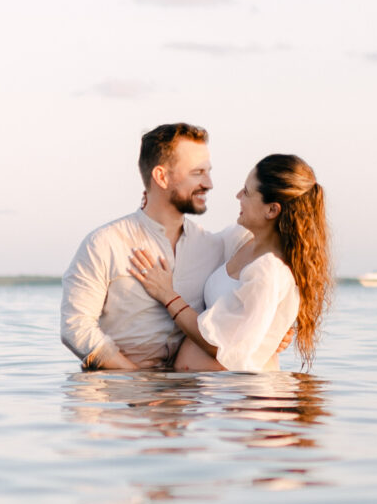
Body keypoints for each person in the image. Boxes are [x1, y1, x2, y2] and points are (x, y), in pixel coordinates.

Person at [127, 153, 330, 371]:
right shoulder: (240, 239)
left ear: (271, 210)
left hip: (242, 398)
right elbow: (198, 242)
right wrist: (162, 205)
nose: (238, 195)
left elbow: (218, 346)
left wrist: (167, 295)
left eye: (247, 192)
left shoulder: (269, 271)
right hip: (215, 396)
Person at [59, 123, 227, 372]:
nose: (209, 183)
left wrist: (272, 332)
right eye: (197, 172)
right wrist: (135, 382)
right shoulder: (105, 243)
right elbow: (75, 326)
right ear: (161, 177)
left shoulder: (214, 247)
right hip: (119, 398)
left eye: (208, 171)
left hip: (188, 398)